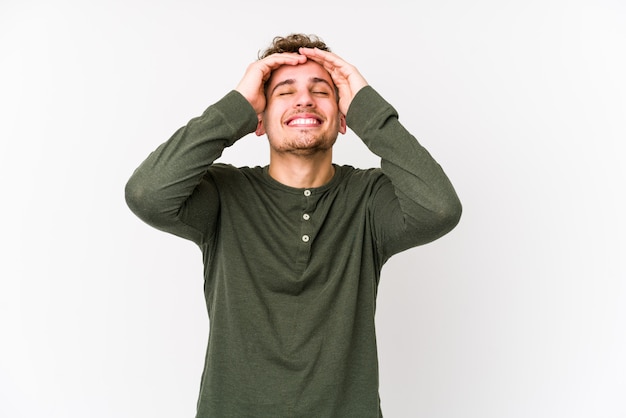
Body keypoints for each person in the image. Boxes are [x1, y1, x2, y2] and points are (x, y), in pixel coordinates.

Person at [125, 33, 462, 418]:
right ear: (259, 119)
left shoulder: (369, 200)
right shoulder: (223, 195)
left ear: (343, 118)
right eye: (284, 92)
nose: (304, 99)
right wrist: (234, 107)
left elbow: (440, 209)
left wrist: (370, 111)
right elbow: (146, 193)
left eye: (321, 91)